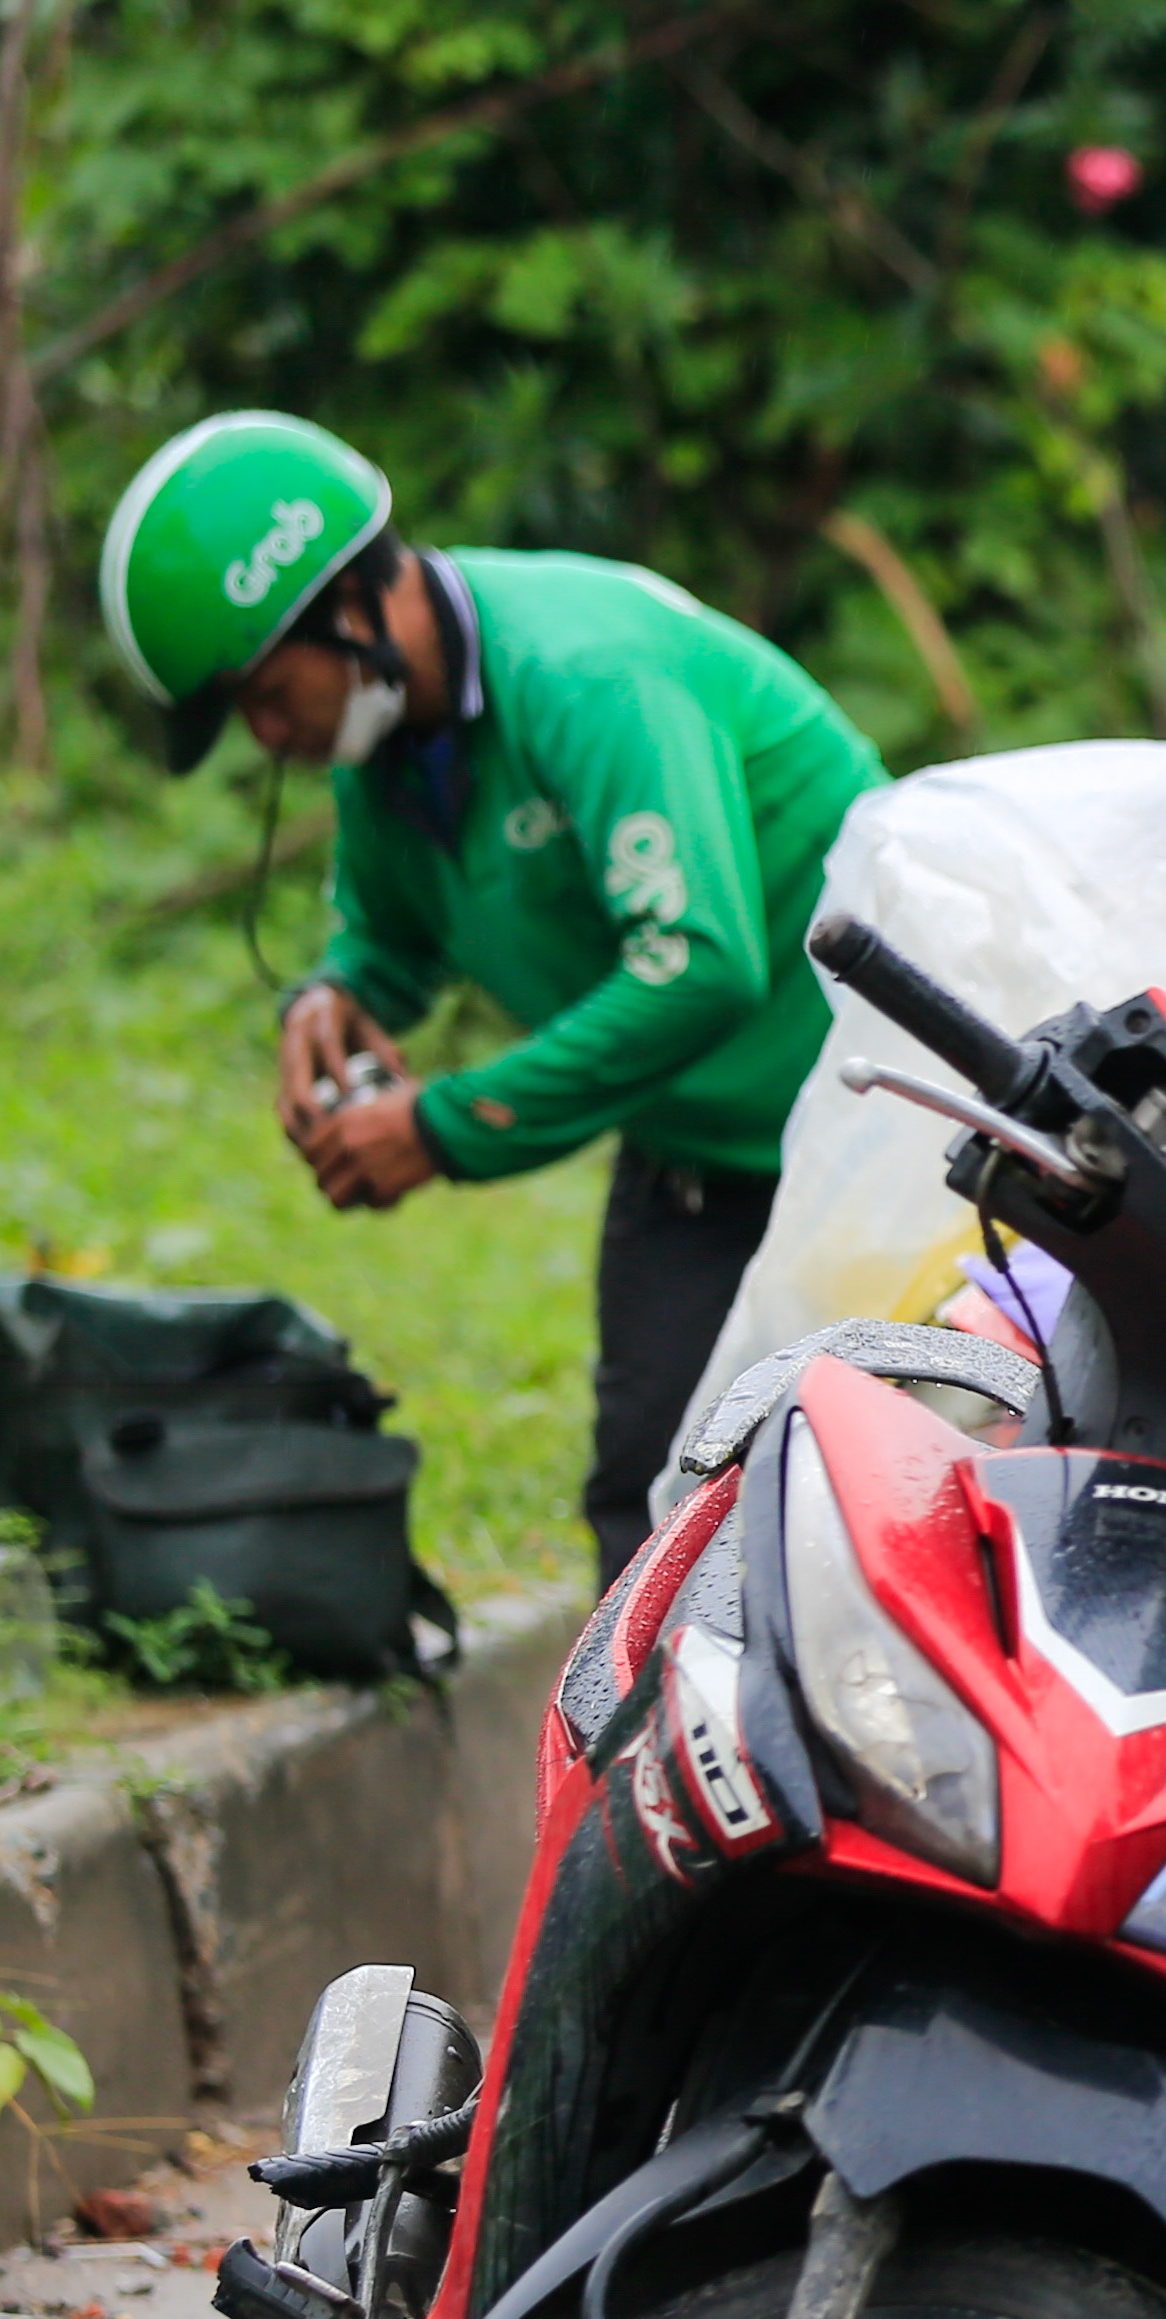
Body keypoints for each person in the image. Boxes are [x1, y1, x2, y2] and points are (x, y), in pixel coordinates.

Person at [96, 410, 892, 1580]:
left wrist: (442, 1127)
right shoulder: (389, 737)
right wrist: (331, 993)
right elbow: (393, 934)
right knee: (657, 1508)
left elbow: (697, 962)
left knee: (883, 1489)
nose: (267, 737)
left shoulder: (585, 674)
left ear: (347, 606)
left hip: (879, 1129)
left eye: (264, 694)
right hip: (694, 1159)